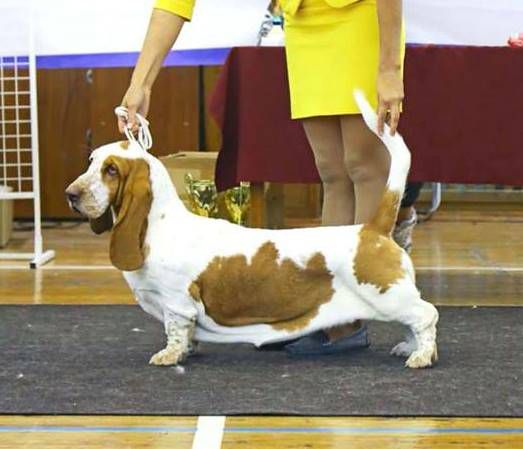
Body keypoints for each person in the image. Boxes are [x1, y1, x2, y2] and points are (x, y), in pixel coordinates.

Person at [118, 0, 405, 356]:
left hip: (363, 20)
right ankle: (332, 317)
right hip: (303, 25)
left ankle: (360, 302)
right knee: (331, 172)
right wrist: (141, 83)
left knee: (363, 166)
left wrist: (390, 67)